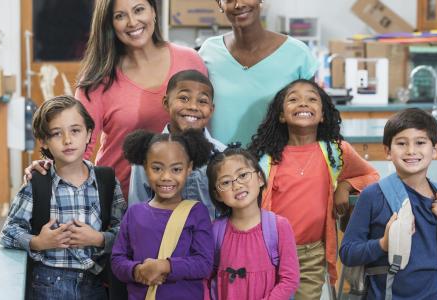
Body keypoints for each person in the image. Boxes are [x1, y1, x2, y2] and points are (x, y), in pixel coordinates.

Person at [26, 0, 207, 201]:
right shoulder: (97, 79)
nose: (132, 22)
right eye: (120, 16)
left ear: (153, 11)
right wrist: (49, 167)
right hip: (119, 200)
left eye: (139, 10)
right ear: (110, 24)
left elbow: (205, 128)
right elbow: (78, 144)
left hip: (186, 195)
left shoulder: (191, 60)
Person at [248, 79, 379, 299]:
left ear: (323, 114)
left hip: (311, 254)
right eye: (293, 99)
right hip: (268, 250)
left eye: (311, 99)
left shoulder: (336, 151)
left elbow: (371, 176)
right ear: (281, 115)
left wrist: (344, 187)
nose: (303, 103)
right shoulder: (266, 157)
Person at [340, 108, 437, 300]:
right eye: (401, 143)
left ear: (435, 149)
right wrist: (383, 244)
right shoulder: (373, 196)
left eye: (420, 142)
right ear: (388, 151)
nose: (411, 151)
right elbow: (348, 253)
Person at [0, 96, 126, 300]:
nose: (67, 140)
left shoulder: (107, 181)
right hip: (46, 285)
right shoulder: (37, 183)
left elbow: (125, 232)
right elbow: (8, 232)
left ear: (89, 134)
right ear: (44, 141)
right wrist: (38, 242)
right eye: (57, 133)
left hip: (95, 284)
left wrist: (99, 238)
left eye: (75, 130)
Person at [112, 129, 214, 299]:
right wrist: (136, 270)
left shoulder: (197, 212)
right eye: (157, 168)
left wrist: (165, 266)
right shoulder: (134, 213)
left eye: (176, 169)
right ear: (145, 167)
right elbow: (117, 260)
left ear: (189, 168)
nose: (166, 177)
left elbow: (204, 263)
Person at [199, 0, 318, 145]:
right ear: (219, 4)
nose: (239, 5)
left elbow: (313, 119)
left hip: (277, 163)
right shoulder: (209, 51)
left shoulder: (298, 54)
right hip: (221, 164)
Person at [128, 70, 226, 219]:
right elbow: (138, 211)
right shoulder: (147, 152)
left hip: (211, 240)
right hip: (159, 239)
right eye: (184, 98)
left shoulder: (222, 154)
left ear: (211, 110)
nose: (193, 106)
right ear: (166, 103)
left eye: (202, 101)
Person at [205, 146, 299, 299]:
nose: (237, 185)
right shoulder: (215, 230)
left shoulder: (279, 227)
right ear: (217, 194)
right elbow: (205, 279)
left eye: (243, 175)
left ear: (260, 178)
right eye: (226, 182)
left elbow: (289, 279)